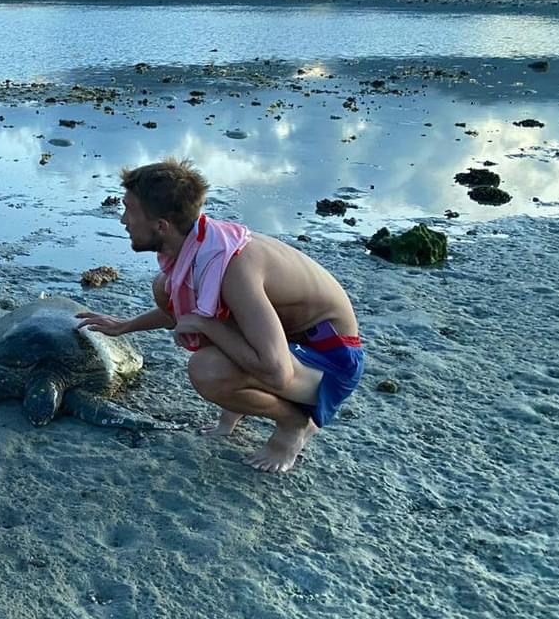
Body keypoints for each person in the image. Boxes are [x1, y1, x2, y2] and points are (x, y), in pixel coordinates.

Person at [77, 158, 363, 473]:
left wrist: (205, 325)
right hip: (293, 343)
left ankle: (293, 423)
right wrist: (126, 326)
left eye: (129, 209)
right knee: (166, 288)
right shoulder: (201, 242)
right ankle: (235, 412)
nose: (122, 220)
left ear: (162, 226)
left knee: (207, 370)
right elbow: (180, 312)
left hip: (332, 361)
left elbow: (277, 371)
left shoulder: (235, 268)